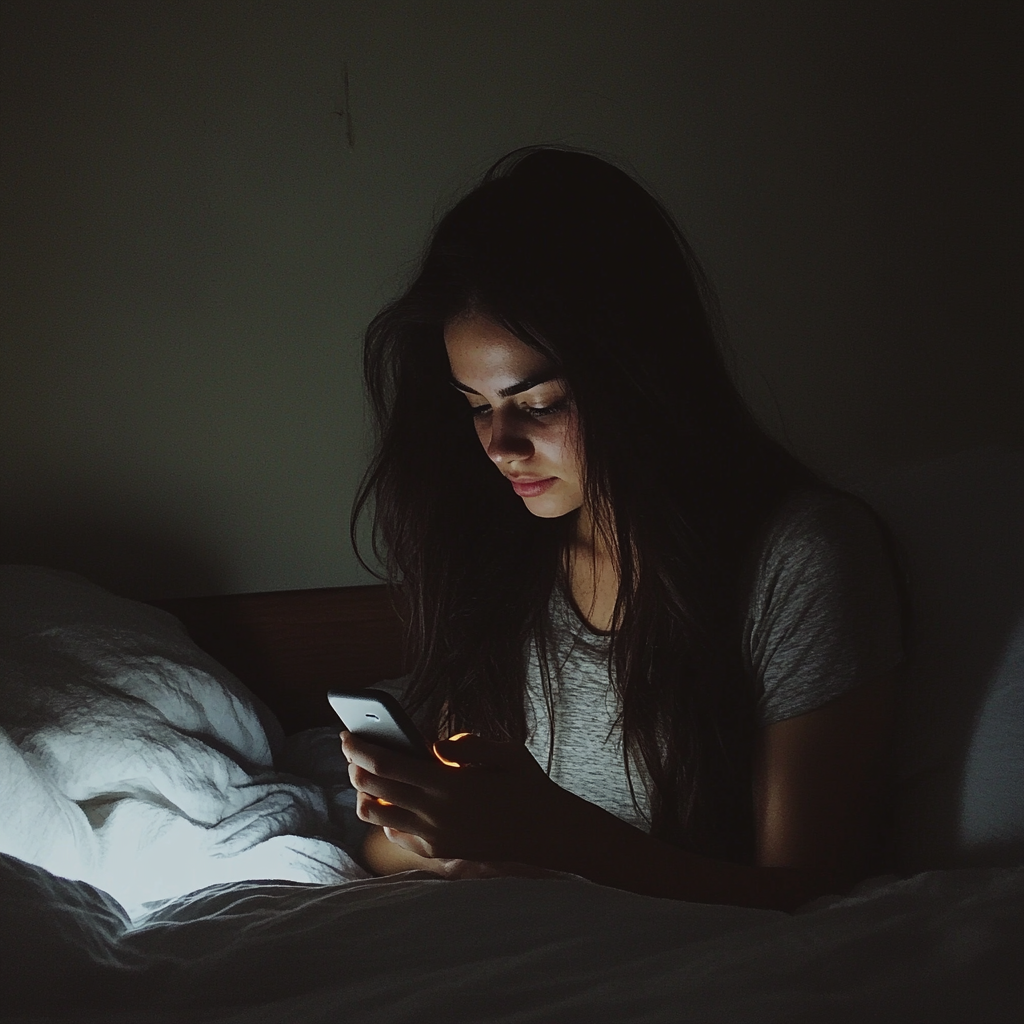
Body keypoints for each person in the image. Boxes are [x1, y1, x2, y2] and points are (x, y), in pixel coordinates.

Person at [341, 147, 906, 911]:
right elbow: (383, 850)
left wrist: (549, 836)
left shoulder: (799, 560)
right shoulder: (503, 562)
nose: (500, 445)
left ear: (637, 377)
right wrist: (445, 836)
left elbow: (807, 895)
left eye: (537, 402)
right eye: (477, 405)